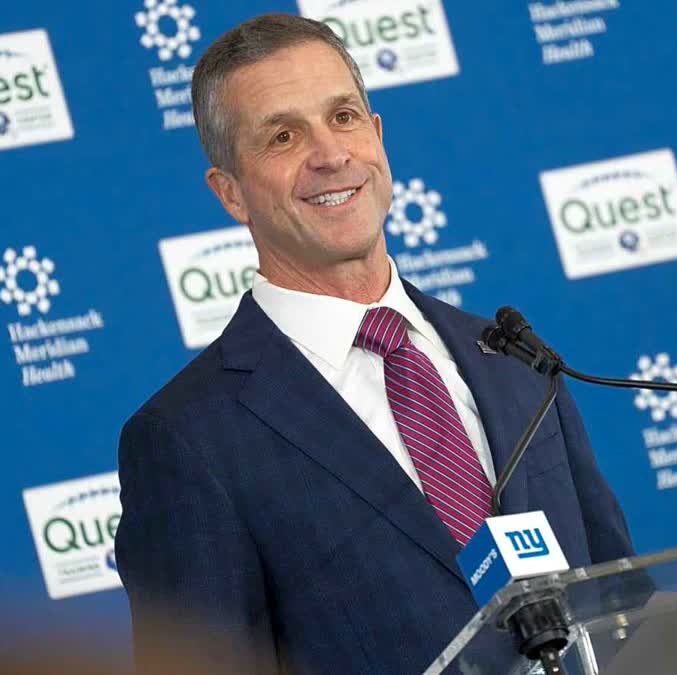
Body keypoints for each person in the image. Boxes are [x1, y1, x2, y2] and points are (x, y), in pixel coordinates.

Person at [116, 13, 645, 674]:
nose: (330, 154)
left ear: (377, 135)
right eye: (283, 136)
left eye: (343, 118)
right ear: (231, 193)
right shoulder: (186, 440)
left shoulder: (514, 360)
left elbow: (622, 610)